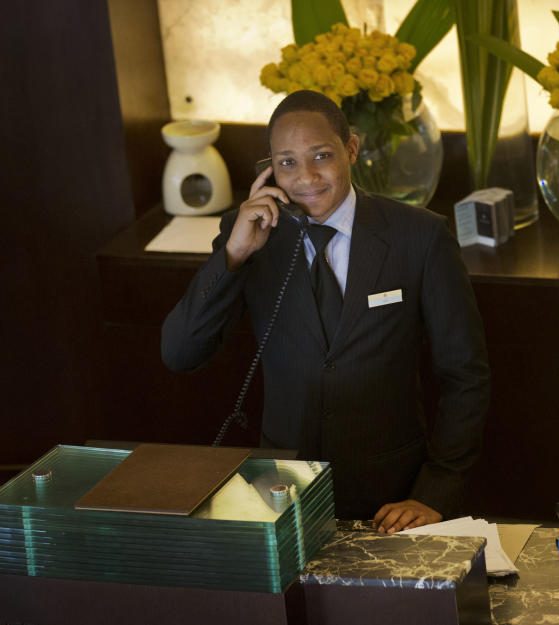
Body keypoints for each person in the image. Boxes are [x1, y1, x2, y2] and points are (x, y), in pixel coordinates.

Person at [161, 90, 490, 533]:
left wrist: (434, 493)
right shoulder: (251, 235)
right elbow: (180, 353)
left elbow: (466, 377)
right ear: (269, 170)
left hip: (392, 500)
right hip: (280, 498)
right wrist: (235, 255)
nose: (306, 177)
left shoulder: (420, 236)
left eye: (321, 156)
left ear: (351, 149)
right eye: (288, 162)